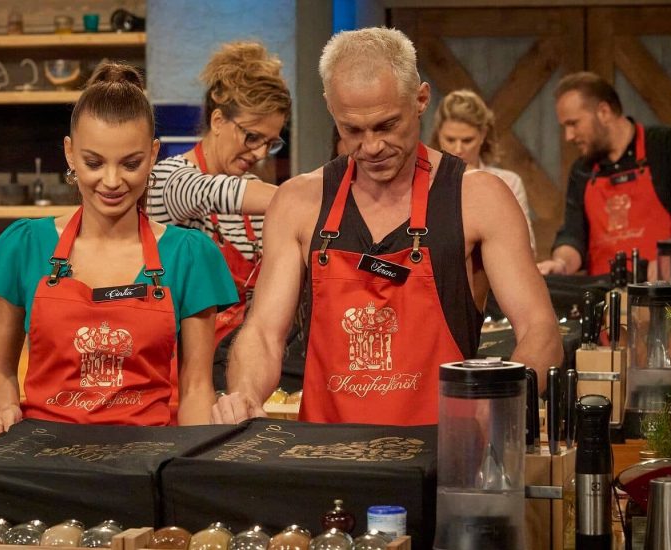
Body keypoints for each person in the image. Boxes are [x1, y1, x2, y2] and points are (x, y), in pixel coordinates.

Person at [212, 27, 561, 426]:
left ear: (421, 99)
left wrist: (499, 404)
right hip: (323, 453)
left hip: (442, 450)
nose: (372, 146)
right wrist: (244, 394)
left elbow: (539, 330)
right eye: (352, 130)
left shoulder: (478, 198)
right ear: (330, 108)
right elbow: (263, 333)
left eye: (386, 125)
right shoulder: (298, 203)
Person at [0, 62, 237, 439]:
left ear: (153, 154)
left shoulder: (189, 255)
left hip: (145, 457)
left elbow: (196, 388)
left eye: (130, 164)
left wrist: (194, 456)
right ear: (69, 153)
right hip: (41, 453)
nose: (112, 181)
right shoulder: (24, 245)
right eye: (94, 162)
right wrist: (6, 407)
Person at [147, 42, 291, 348]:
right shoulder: (168, 178)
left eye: (270, 143)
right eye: (252, 136)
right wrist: (308, 198)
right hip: (178, 357)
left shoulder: (255, 191)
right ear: (217, 121)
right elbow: (210, 191)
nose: (260, 153)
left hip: (238, 356)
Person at [537, 71, 671, 277]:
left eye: (573, 123)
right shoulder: (582, 170)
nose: (568, 136)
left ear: (604, 112)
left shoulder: (669, 146)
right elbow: (573, 235)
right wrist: (561, 264)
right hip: (606, 294)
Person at [430, 89, 535, 252]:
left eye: (467, 140)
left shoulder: (508, 182)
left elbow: (528, 248)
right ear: (438, 135)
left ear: (483, 135)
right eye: (450, 140)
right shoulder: (425, 181)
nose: (458, 149)